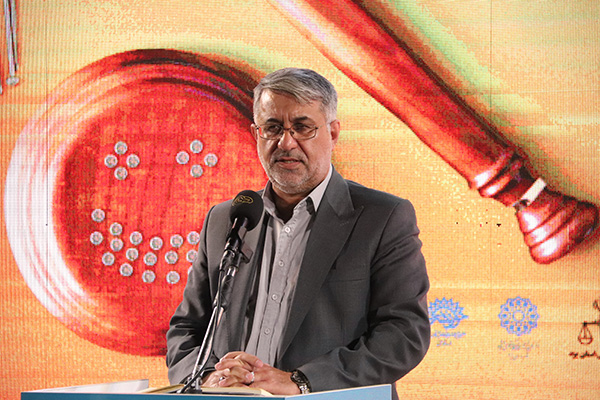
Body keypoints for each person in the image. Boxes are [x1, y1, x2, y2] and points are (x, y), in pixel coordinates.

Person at [166, 67, 430, 398]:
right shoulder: (227, 219)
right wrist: (207, 378)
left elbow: (404, 333)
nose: (286, 142)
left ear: (333, 132)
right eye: (272, 128)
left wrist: (302, 382)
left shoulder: (382, 217)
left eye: (303, 127)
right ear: (256, 133)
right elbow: (187, 329)